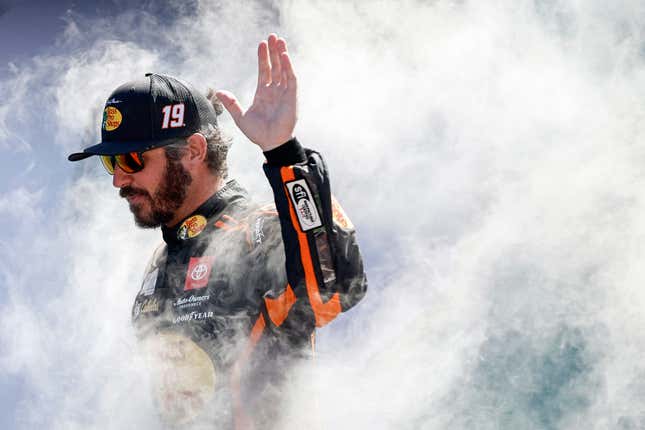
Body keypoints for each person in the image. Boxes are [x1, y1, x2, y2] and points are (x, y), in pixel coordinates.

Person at [67, 34, 367, 429]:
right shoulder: (160, 263)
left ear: (192, 151)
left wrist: (283, 152)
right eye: (111, 163)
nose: (119, 180)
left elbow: (334, 288)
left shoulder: (258, 230)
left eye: (131, 159)